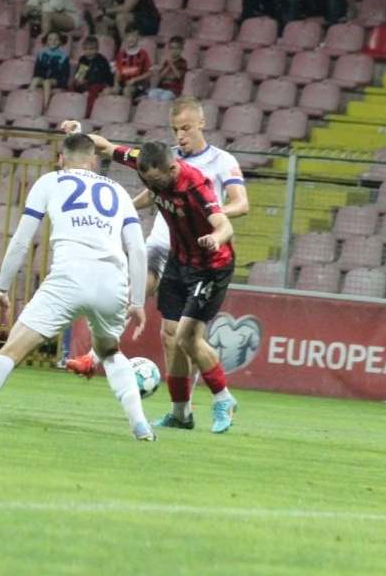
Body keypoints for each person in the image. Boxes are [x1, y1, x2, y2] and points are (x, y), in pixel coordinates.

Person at [0, 133, 155, 442]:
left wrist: (1, 289)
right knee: (109, 352)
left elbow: (22, 240)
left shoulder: (50, 182)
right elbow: (138, 249)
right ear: (93, 161)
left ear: (61, 159)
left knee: (13, 348)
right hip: (111, 283)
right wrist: (138, 301)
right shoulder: (118, 191)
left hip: (68, 278)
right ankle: (140, 425)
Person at [62, 96, 249, 431]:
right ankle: (179, 412)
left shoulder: (206, 175)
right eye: (176, 129)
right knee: (164, 330)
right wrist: (79, 135)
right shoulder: (156, 161)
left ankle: (222, 399)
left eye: (186, 128)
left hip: (209, 261)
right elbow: (107, 149)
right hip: (174, 253)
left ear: (202, 123)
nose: (181, 135)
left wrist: (212, 225)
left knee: (187, 338)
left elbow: (233, 215)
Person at [71, 36, 114, 118]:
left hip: (98, 83)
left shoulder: (101, 60)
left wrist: (109, 85)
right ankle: (72, 111)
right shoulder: (83, 59)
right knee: (73, 86)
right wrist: (79, 80)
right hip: (86, 83)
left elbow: (103, 76)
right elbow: (80, 73)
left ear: (97, 49)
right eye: (86, 49)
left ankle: (88, 114)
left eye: (91, 49)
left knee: (93, 91)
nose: (88, 52)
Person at [30, 30, 70, 106]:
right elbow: (37, 70)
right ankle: (30, 101)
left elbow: (65, 73)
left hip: (57, 80)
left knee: (47, 82)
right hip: (43, 77)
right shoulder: (41, 54)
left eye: (56, 39)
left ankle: (45, 105)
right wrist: (40, 77)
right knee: (35, 80)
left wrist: (63, 83)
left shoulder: (63, 56)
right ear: (46, 41)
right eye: (50, 39)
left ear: (60, 41)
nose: (53, 41)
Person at [112, 25, 153, 98]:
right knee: (107, 91)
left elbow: (149, 73)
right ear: (125, 38)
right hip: (123, 84)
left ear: (138, 38)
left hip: (137, 85)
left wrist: (134, 80)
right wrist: (116, 84)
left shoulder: (143, 54)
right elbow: (118, 71)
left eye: (133, 36)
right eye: (128, 36)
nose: (131, 39)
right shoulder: (121, 54)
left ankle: (128, 104)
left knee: (127, 91)